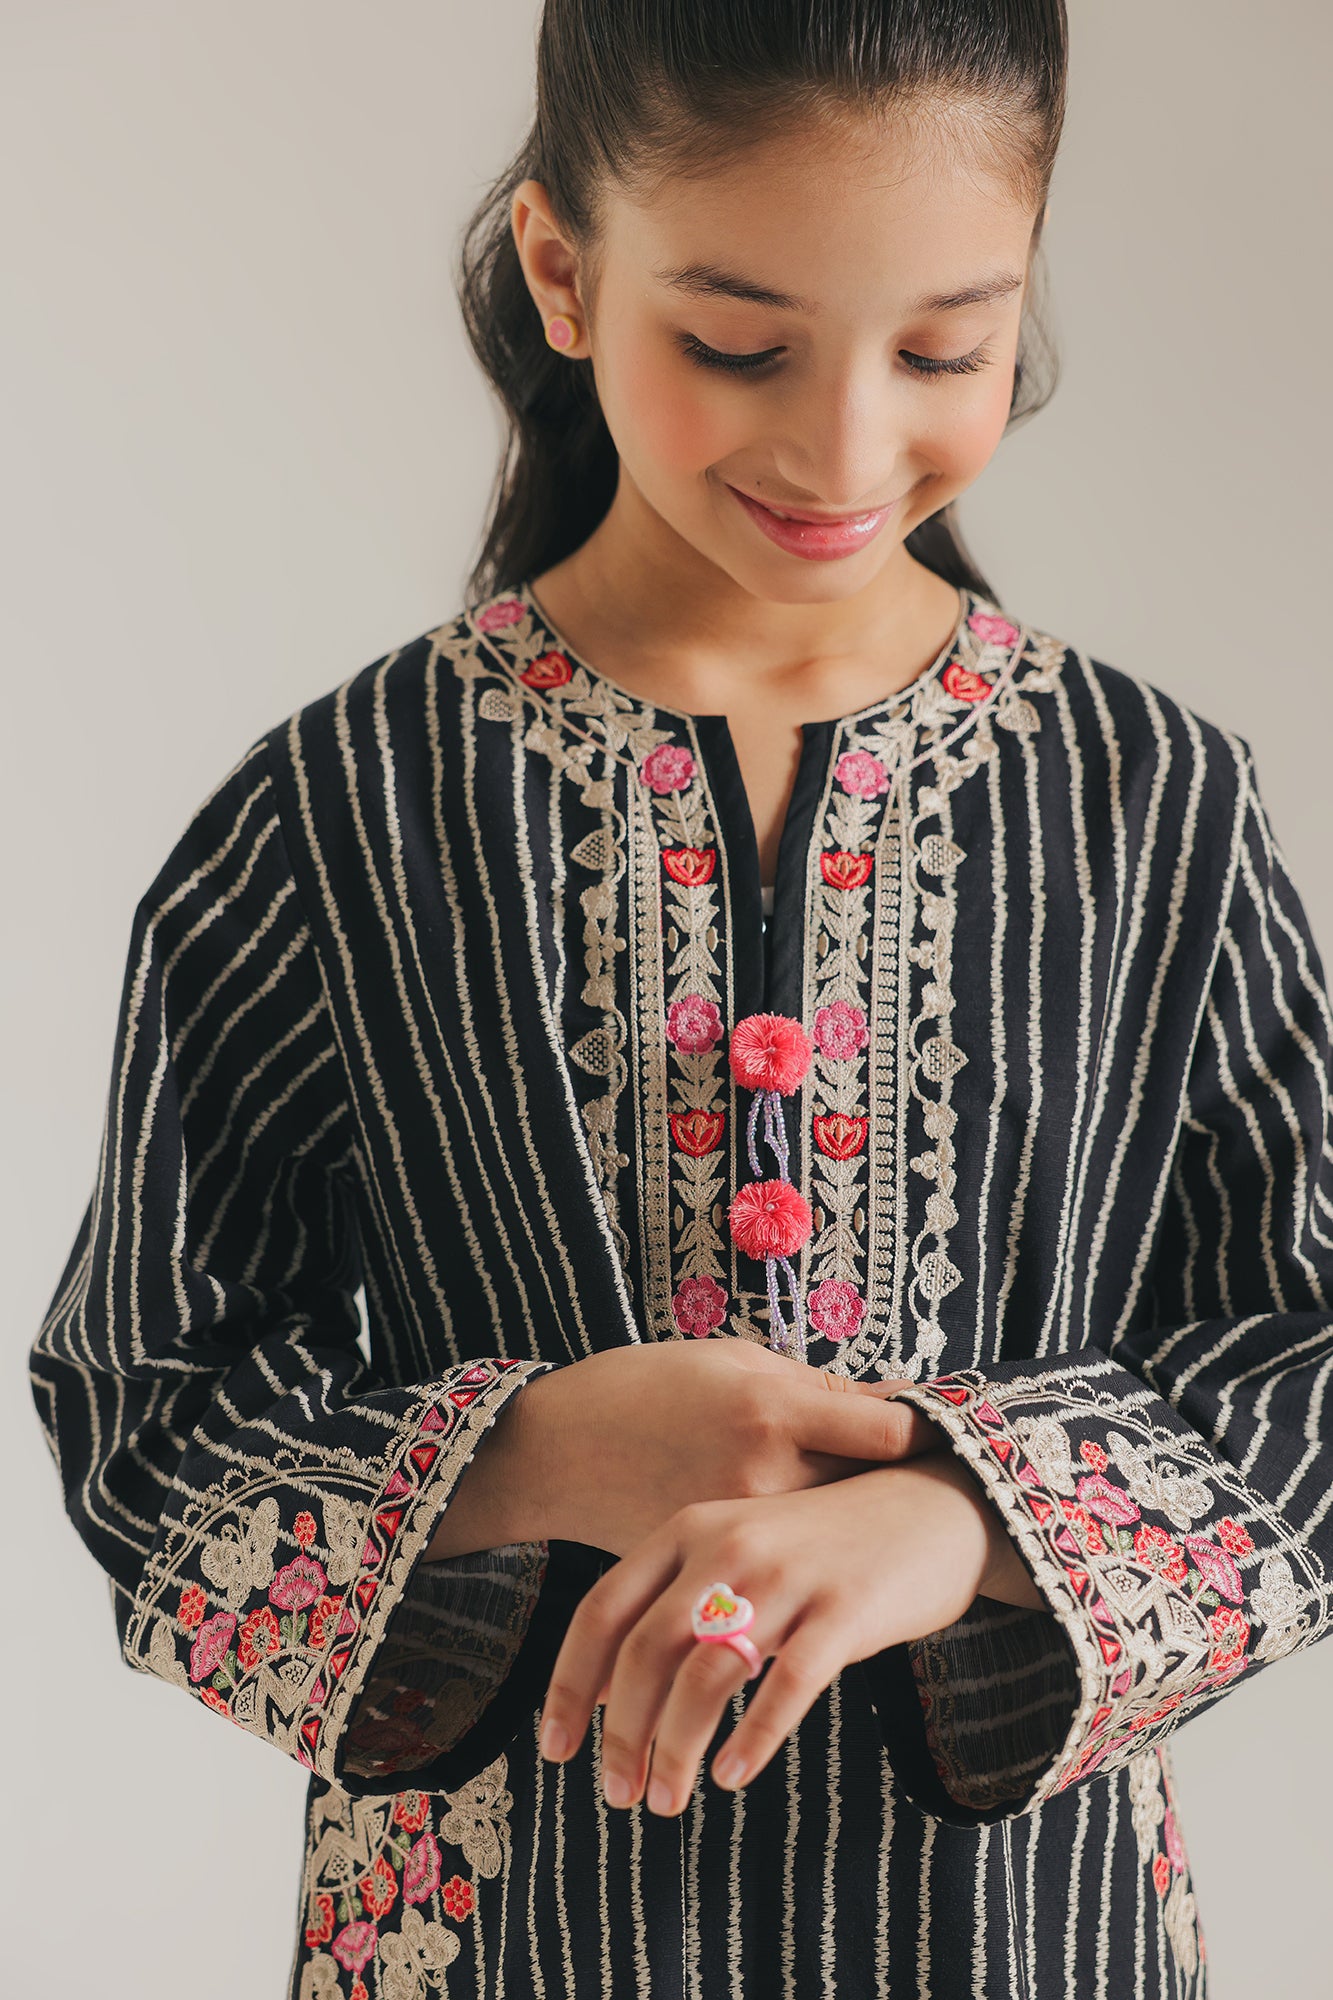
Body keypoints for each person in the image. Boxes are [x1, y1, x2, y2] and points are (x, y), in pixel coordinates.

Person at [29, 2, 1333, 1993]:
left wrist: (958, 1516)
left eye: (944, 347)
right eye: (737, 342)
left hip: (1023, 1943)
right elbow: (145, 1408)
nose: (839, 444)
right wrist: (536, 1447)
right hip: (499, 1942)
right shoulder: (340, 810)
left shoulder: (1156, 805)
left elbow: (1308, 1349)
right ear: (564, 272)